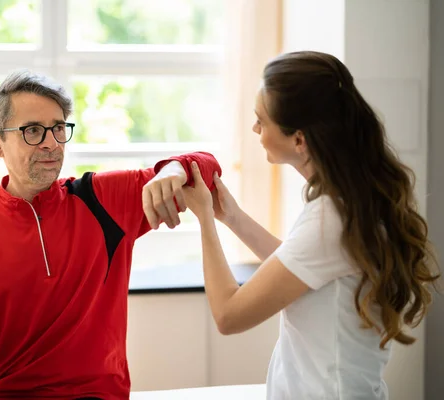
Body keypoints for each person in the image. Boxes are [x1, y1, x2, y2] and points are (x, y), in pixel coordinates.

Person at [0, 70, 222, 400]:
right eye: (34, 131)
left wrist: (173, 168)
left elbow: (207, 168)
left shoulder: (103, 200)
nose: (52, 143)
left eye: (58, 128)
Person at [182, 51, 440, 400]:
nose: (255, 129)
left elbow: (228, 315)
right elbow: (300, 270)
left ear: (299, 140)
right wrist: (233, 218)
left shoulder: (329, 219)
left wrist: (203, 221)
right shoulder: (348, 204)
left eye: (262, 120)